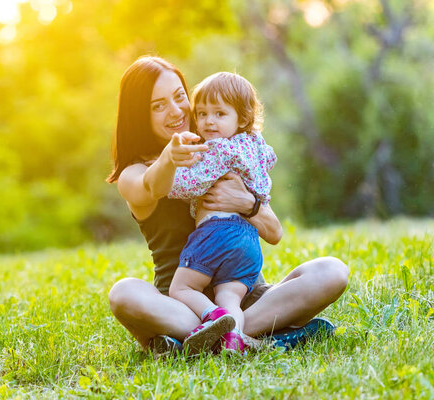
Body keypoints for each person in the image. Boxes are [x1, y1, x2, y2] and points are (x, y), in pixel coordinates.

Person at [107, 56, 349, 355]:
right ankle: (258, 338)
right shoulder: (134, 173)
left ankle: (204, 341)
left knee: (332, 271)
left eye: (180, 97)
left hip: (243, 295)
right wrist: (169, 158)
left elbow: (274, 232)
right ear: (139, 116)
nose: (176, 110)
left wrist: (248, 203)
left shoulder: (222, 147)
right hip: (183, 303)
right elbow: (151, 187)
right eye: (158, 106)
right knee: (123, 293)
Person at [167, 71, 277, 354]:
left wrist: (168, 180)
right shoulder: (255, 145)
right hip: (249, 241)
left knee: (181, 289)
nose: (208, 122)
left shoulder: (218, 149)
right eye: (202, 114)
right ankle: (234, 338)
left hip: (216, 232)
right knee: (230, 297)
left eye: (219, 113)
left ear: (242, 118)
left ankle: (211, 317)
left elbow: (191, 183)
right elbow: (270, 159)